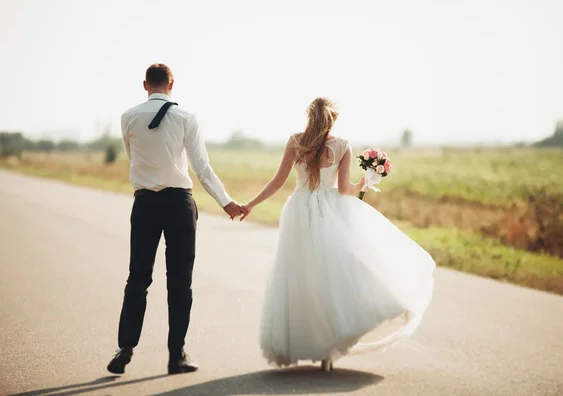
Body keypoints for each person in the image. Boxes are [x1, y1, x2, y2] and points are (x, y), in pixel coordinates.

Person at [241, 97, 435, 371]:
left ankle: (304, 341)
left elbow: (278, 181)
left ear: (309, 116)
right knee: (332, 276)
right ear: (334, 118)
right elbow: (344, 188)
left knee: (301, 277)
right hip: (329, 211)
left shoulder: (295, 141)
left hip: (299, 211)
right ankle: (327, 352)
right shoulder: (343, 145)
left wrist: (250, 203)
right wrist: (365, 182)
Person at [107, 63, 246, 375]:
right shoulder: (186, 117)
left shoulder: (128, 116)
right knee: (180, 281)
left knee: (138, 277)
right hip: (178, 205)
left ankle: (125, 348)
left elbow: (134, 158)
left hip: (145, 203)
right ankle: (176, 355)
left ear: (145, 85)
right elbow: (202, 167)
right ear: (172, 83)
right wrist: (226, 202)